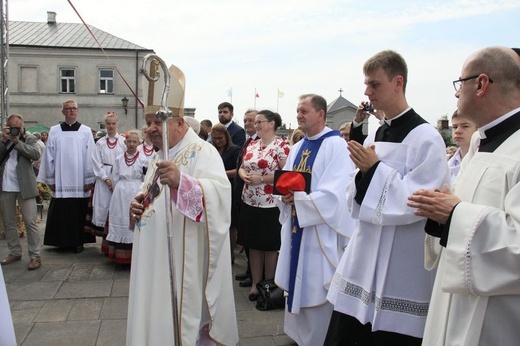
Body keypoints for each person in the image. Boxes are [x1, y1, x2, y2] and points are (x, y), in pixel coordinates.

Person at [325, 50, 449, 345]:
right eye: (366, 84)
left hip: (402, 261)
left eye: (374, 84)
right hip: (365, 253)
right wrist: (364, 174)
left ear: (398, 82)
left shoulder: (426, 138)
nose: (367, 92)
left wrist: (374, 169)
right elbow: (355, 195)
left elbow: (419, 200)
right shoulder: (374, 135)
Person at [408, 46, 520, 346]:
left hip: (499, 316)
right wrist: (440, 214)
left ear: (481, 84)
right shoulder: (480, 143)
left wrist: (454, 214)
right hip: (454, 299)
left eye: (461, 83)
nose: (457, 93)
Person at [126, 64, 238, 345]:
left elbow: (220, 198)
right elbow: (149, 196)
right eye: (148, 122)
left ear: (179, 122)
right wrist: (137, 204)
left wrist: (183, 183)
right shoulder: (159, 154)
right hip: (152, 255)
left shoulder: (203, 152)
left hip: (181, 258)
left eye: (157, 122)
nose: (150, 128)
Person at [275, 94, 354, 345]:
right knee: (296, 281)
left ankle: (320, 338)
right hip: (298, 226)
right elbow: (286, 181)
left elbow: (336, 194)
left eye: (304, 111)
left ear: (320, 115)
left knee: (316, 283)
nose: (298, 115)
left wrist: (299, 201)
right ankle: (298, 335)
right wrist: (285, 196)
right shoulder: (298, 147)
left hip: (321, 231)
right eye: (297, 111)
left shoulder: (337, 146)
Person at [238, 110, 289, 301]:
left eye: (260, 122)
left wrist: (262, 178)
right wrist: (244, 176)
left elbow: (287, 174)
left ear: (272, 124)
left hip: (271, 204)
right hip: (250, 200)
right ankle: (254, 284)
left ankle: (268, 284)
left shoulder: (281, 146)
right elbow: (242, 167)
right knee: (253, 245)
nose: (256, 125)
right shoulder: (251, 145)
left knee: (269, 246)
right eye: (256, 122)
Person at [37, 99, 96, 253]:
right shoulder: (55, 130)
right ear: (63, 111)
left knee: (78, 212)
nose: (71, 111)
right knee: (62, 211)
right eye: (67, 109)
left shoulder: (86, 131)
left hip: (80, 179)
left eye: (73, 108)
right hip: (61, 180)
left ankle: (78, 241)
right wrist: (50, 179)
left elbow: (91, 156)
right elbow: (48, 155)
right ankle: (61, 241)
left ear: (77, 111)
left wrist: (90, 179)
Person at [0, 114, 42, 270]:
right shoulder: (3, 139)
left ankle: (35, 255)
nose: (15, 130)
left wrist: (16, 141)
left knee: (30, 222)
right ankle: (14, 252)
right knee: (9, 222)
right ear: (7, 127)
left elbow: (35, 154)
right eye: (12, 127)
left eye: (18, 127)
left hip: (25, 186)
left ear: (23, 126)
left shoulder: (29, 138)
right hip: (5, 185)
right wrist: (5, 141)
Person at [103, 130, 147, 265]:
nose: (132, 144)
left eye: (135, 142)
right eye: (129, 141)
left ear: (139, 143)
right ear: (125, 142)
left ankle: (135, 255)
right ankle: (119, 254)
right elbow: (115, 176)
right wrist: (118, 189)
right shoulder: (119, 158)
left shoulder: (143, 159)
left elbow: (145, 178)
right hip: (121, 191)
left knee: (133, 219)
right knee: (121, 217)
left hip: (136, 189)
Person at [91, 112, 126, 238]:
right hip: (103, 176)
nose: (111, 126)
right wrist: (105, 178)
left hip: (119, 176)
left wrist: (117, 179)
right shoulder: (100, 143)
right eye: (108, 124)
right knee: (103, 205)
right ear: (105, 125)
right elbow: (96, 162)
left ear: (117, 124)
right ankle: (105, 236)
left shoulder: (123, 142)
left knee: (117, 206)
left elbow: (126, 160)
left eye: (113, 123)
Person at [234, 109, 258, 286]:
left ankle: (254, 273)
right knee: (247, 235)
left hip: (255, 194)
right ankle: (249, 269)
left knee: (252, 236)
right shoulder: (248, 140)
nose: (247, 123)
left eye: (251, 120)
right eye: (245, 120)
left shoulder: (259, 142)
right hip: (243, 191)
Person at [211, 124, 241, 263]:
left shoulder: (235, 150)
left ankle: (230, 254)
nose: (218, 141)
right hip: (214, 190)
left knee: (230, 224)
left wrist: (219, 174)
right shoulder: (211, 150)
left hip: (230, 189)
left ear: (226, 136)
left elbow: (237, 170)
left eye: (220, 138)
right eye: (215, 138)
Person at [447, 110, 477, 182]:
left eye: (465, 126)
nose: (457, 131)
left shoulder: (483, 161)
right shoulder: (447, 164)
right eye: (454, 127)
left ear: (478, 129)